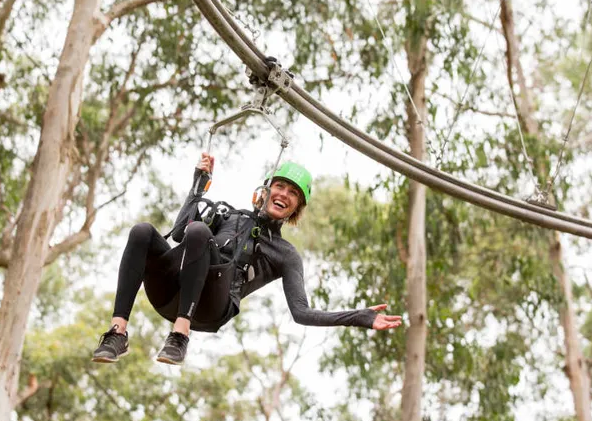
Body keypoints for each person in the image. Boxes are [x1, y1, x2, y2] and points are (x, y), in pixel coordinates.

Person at [92, 153, 402, 365]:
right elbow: (179, 234)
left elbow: (302, 313)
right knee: (144, 232)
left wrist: (360, 317)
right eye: (279, 185)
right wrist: (198, 184)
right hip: (170, 291)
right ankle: (117, 333)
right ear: (264, 191)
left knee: (200, 232)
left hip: (212, 305)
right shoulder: (231, 217)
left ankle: (179, 336)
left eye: (293, 193)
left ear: (296, 208)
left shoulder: (285, 253)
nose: (284, 193)